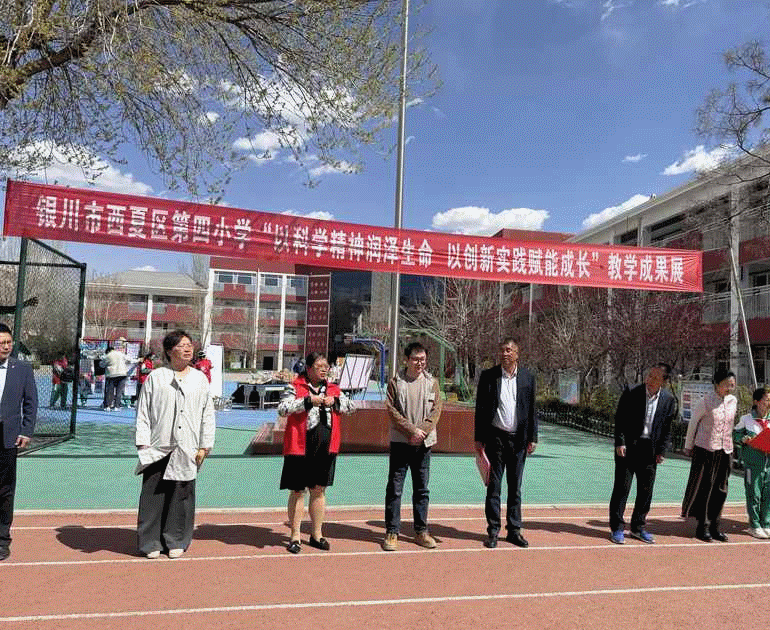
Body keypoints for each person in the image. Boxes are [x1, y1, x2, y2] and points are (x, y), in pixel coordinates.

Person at [135, 330, 215, 559]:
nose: (187, 349)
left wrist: (205, 445)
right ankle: (150, 542)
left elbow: (207, 414)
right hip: (158, 445)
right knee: (153, 495)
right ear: (170, 351)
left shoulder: (199, 379)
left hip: (187, 445)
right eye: (181, 345)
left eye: (189, 345)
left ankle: (176, 539)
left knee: (182, 495)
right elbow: (143, 412)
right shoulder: (156, 377)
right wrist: (143, 442)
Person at [278, 352, 355, 554]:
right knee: (297, 491)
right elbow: (283, 408)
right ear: (309, 368)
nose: (324, 370)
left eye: (326, 367)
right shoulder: (294, 386)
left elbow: (351, 406)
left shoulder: (334, 389)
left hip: (326, 446)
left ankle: (316, 534)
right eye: (319, 367)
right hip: (299, 446)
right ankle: (295, 536)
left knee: (319, 489)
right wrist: (307, 401)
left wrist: (335, 402)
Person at [474, 337, 537, 549]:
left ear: (517, 354)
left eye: (509, 350)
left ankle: (514, 530)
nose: (505, 353)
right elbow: (481, 409)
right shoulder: (488, 376)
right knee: (494, 487)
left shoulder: (528, 377)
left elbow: (532, 409)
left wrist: (533, 438)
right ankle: (493, 531)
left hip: (519, 441)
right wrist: (478, 438)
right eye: (502, 350)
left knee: (515, 487)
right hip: (496, 440)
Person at [382, 342, 443, 551]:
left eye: (423, 359)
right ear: (407, 359)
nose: (420, 363)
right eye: (416, 359)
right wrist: (411, 431)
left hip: (424, 444)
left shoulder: (432, 383)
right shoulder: (395, 383)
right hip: (401, 442)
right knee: (395, 488)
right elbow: (392, 410)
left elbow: (436, 411)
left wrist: (421, 432)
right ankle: (392, 532)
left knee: (422, 489)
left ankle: (421, 531)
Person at [608, 363, 678, 545]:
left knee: (646, 492)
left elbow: (667, 428)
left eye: (656, 377)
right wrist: (620, 442)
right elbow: (620, 418)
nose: (650, 379)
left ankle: (638, 528)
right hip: (628, 449)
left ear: (664, 381)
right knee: (622, 489)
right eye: (650, 375)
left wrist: (662, 451)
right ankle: (617, 528)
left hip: (650, 451)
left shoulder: (668, 399)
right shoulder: (632, 391)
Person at [681, 368, 738, 542]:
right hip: (706, 449)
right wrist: (688, 446)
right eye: (726, 385)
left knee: (721, 489)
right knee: (705, 488)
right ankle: (703, 527)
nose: (730, 388)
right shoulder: (705, 401)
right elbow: (693, 424)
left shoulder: (733, 401)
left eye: (732, 385)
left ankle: (715, 526)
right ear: (716, 384)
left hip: (725, 449)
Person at [0, 323, 38, 560]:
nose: (6, 347)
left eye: (8, 342)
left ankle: (2, 540)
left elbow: (31, 403)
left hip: (7, 437)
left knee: (5, 491)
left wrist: (26, 431)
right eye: (1, 343)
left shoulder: (22, 369)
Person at [733, 387, 770, 539]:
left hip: (769, 465)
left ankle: (766, 523)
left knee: (768, 494)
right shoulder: (746, 419)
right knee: (754, 494)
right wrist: (743, 439)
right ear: (756, 401)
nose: (769, 403)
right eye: (766, 400)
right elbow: (735, 434)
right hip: (753, 464)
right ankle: (754, 525)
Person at [100, 341, 132, 410]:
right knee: (119, 391)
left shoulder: (107, 356)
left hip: (112, 374)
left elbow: (102, 365)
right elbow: (129, 360)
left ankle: (108, 406)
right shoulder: (121, 354)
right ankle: (117, 406)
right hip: (122, 374)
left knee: (110, 391)